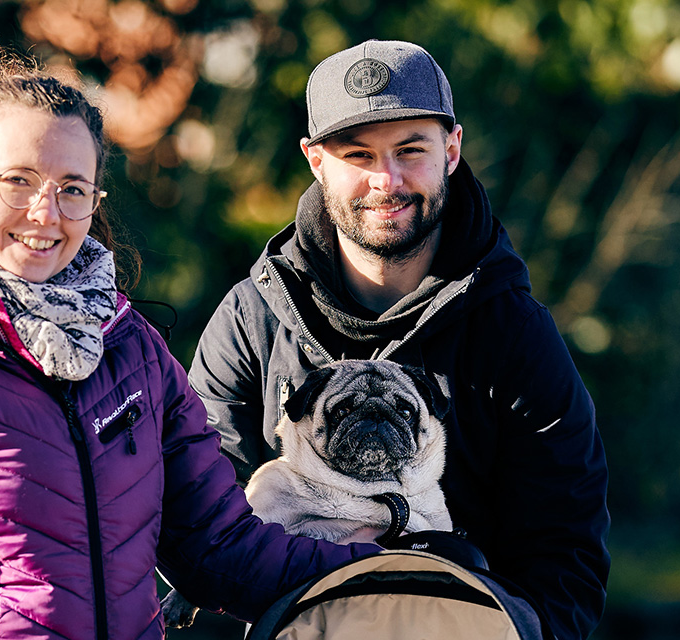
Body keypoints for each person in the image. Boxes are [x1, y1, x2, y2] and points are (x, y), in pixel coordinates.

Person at [0, 49, 375, 640]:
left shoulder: (134, 354)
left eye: (72, 188)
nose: (46, 212)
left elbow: (222, 551)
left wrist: (398, 570)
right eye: (17, 181)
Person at [189, 40, 610, 640]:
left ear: (453, 149)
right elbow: (197, 520)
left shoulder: (512, 332)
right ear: (314, 160)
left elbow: (565, 548)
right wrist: (333, 575)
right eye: (358, 155)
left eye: (410, 150)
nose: (386, 180)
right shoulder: (251, 320)